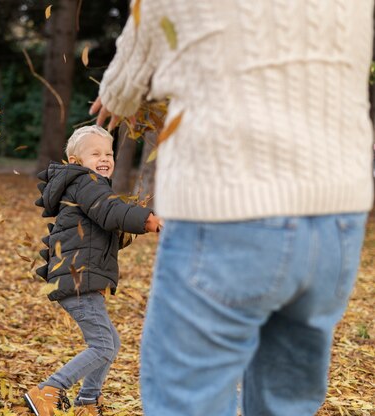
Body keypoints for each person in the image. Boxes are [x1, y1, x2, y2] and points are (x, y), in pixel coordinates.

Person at [90, 1, 374, 415]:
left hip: (229, 200)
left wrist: (117, 90)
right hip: (337, 211)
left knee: (189, 399)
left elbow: (147, 23)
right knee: (287, 401)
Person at [25, 125, 161, 416]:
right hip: (77, 279)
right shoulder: (86, 183)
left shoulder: (87, 189)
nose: (104, 158)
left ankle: (88, 401)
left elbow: (104, 227)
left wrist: (129, 228)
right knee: (101, 345)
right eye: (95, 153)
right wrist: (147, 220)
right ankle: (48, 390)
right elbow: (112, 212)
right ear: (75, 161)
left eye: (109, 153)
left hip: (79, 277)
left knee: (110, 342)